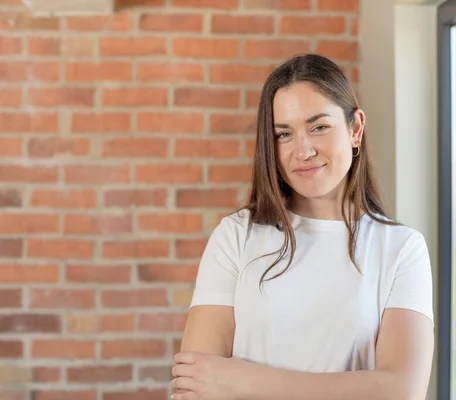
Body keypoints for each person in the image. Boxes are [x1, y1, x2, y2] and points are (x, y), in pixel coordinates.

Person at [170, 53, 434, 400]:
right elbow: (195, 386)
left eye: (318, 127)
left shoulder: (401, 249)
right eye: (284, 134)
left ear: (355, 128)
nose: (302, 150)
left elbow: (400, 390)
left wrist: (241, 381)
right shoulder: (236, 236)